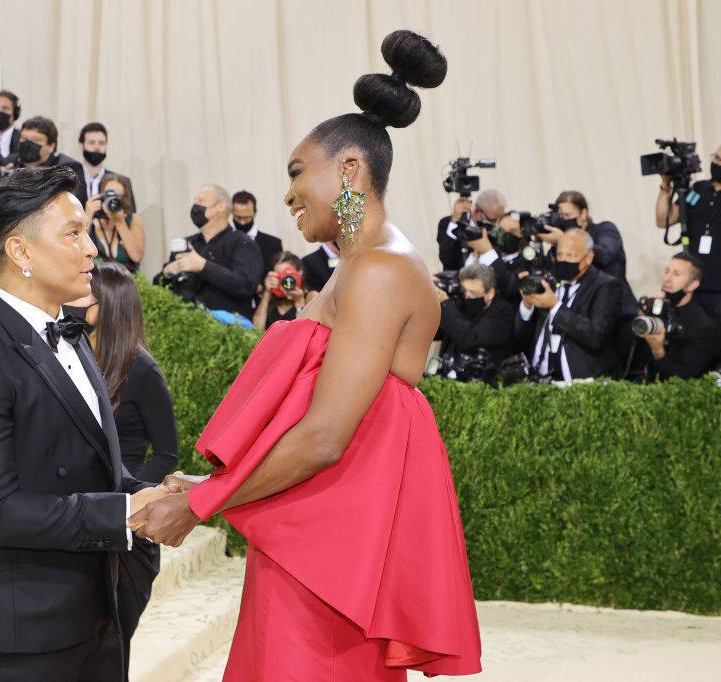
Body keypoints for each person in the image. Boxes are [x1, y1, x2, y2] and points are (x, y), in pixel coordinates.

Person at [131, 29, 481, 681]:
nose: (288, 195)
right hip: (315, 534)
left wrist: (203, 505)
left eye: (298, 174)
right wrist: (215, 484)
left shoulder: (378, 270)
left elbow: (325, 437)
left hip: (331, 558)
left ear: (349, 171)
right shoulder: (363, 266)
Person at [0, 166, 166, 681]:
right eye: (73, 233)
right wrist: (123, 513)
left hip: (99, 607)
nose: (92, 250)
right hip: (26, 630)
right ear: (21, 252)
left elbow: (90, 465)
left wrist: (159, 496)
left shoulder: (75, 335)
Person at [74, 261, 179, 678]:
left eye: (86, 295)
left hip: (130, 530)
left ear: (109, 306)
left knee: (112, 648)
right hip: (92, 520)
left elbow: (167, 454)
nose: (75, 300)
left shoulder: (142, 369)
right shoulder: (79, 354)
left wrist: (135, 500)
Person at [515, 228, 624, 382]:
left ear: (588, 257)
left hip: (579, 380)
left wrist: (555, 307)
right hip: (539, 378)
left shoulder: (607, 285)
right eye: (560, 255)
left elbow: (595, 335)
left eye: (571, 256)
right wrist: (527, 305)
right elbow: (521, 336)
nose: (564, 261)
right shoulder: (550, 282)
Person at [155, 184, 263, 320]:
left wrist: (203, 266)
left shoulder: (242, 243)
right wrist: (167, 272)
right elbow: (158, 287)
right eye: (194, 201)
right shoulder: (187, 244)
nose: (195, 207)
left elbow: (246, 286)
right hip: (186, 326)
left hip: (228, 331)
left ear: (220, 206)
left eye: (200, 201)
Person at [629, 253, 721, 381]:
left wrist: (658, 351)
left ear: (693, 284)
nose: (667, 278)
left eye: (676, 274)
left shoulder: (703, 328)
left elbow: (684, 379)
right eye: (667, 271)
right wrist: (641, 314)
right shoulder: (655, 311)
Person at [656, 144, 721, 319]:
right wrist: (666, 187)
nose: (717, 163)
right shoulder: (698, 189)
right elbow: (664, 220)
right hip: (690, 284)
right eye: (716, 158)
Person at [434, 263, 515, 373]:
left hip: (480, 379)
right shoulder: (462, 303)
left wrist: (445, 304)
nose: (467, 296)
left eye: (473, 293)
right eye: (465, 291)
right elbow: (436, 332)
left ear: (490, 293)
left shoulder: (503, 312)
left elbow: (471, 339)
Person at [539, 190, 628, 282]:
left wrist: (563, 239)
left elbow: (605, 256)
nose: (563, 220)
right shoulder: (560, 245)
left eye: (567, 215)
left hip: (612, 293)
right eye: (560, 216)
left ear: (583, 214)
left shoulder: (605, 229)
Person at [435, 189, 507, 272]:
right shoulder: (447, 223)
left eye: (499, 219)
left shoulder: (494, 232)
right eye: (493, 220)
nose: (496, 224)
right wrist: (454, 222)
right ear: (478, 211)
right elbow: (446, 258)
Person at [16, 115, 85, 201]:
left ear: (51, 146)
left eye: (36, 140)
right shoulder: (11, 165)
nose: (28, 143)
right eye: (24, 138)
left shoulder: (66, 169)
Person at [86, 173, 144, 272]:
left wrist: (120, 223)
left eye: (117, 196)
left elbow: (137, 257)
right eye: (108, 194)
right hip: (95, 282)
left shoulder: (132, 219)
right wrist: (87, 216)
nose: (112, 200)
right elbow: (75, 252)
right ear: (100, 195)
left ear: (124, 199)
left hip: (126, 283)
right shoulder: (92, 219)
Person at [232, 190, 283, 301]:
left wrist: (262, 287)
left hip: (264, 304)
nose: (242, 222)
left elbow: (276, 276)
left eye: (246, 218)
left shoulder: (273, 244)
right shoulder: (224, 241)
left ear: (255, 213)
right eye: (237, 217)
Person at [77, 122, 138, 209]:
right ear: (81, 146)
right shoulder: (68, 180)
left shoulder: (121, 182)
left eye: (101, 143)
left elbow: (131, 218)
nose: (97, 147)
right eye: (91, 142)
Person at [252, 252, 315, 330]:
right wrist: (267, 292)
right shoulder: (270, 298)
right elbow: (257, 329)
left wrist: (299, 302)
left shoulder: (311, 297)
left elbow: (307, 331)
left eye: (286, 274)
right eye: (279, 275)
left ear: (300, 272)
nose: (284, 279)